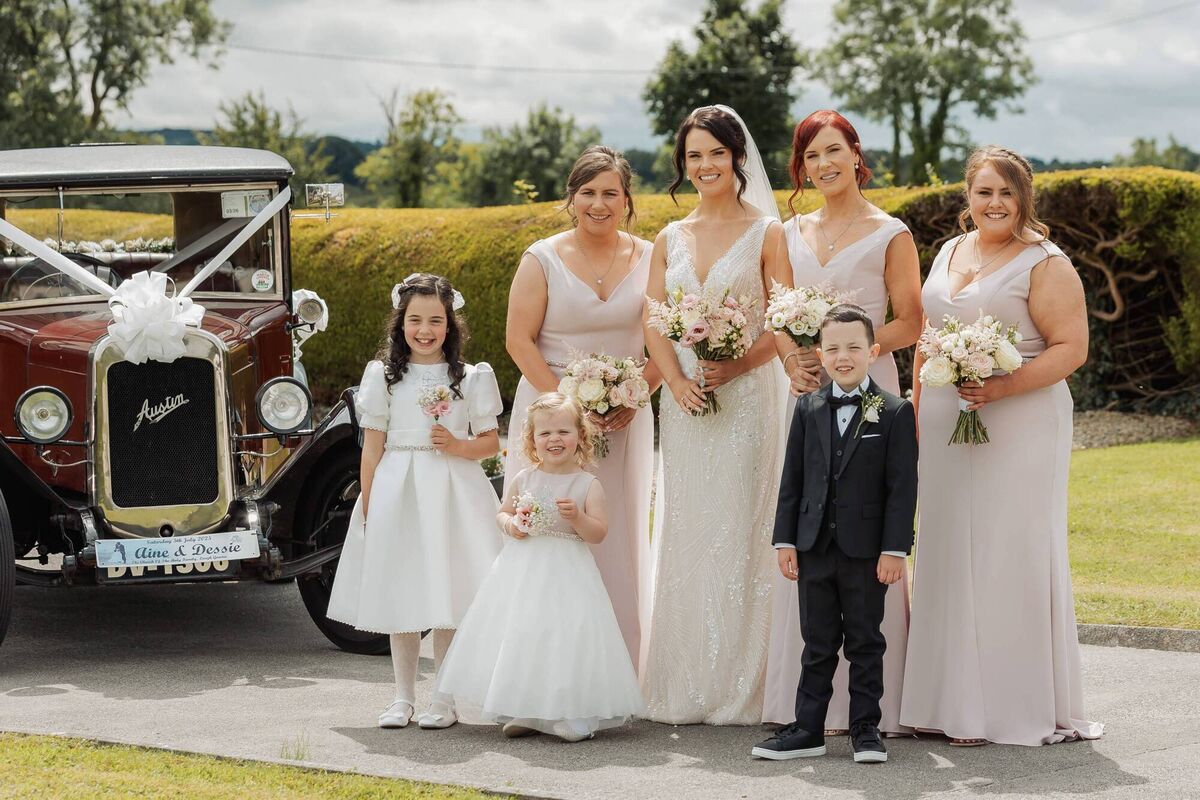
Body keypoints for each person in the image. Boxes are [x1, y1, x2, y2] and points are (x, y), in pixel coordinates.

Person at [900, 146, 1103, 746]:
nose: (995, 203)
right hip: (945, 419)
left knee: (1005, 549)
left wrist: (1001, 386)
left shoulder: (1046, 263)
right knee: (944, 547)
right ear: (968, 196)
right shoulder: (948, 250)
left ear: (1023, 198)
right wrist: (917, 411)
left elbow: (1071, 348)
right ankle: (944, 703)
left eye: (1006, 193)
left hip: (1020, 422)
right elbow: (926, 337)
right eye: (984, 192)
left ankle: (1004, 708)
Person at [764, 110, 922, 734]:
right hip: (808, 394)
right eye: (811, 156)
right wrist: (796, 362)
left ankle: (873, 708)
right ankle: (805, 707)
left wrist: (849, 352)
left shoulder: (891, 233)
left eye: (834, 151)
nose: (823, 165)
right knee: (813, 516)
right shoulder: (787, 232)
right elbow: (778, 316)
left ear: (856, 153)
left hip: (872, 391)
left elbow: (911, 321)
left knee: (867, 519)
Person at [640, 105, 791, 725]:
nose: (705, 166)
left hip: (746, 399)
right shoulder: (668, 238)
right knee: (688, 525)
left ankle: (742, 682)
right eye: (694, 156)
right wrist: (675, 382)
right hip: (685, 405)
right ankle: (684, 682)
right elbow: (653, 320)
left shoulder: (767, 233)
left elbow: (784, 319)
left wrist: (739, 365)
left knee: (741, 525)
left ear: (737, 158)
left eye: (716, 154)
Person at [326, 273, 504, 731]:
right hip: (399, 488)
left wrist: (457, 445)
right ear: (401, 323)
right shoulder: (384, 377)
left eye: (436, 321)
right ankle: (402, 696)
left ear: (450, 325)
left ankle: (443, 697)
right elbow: (371, 448)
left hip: (452, 490)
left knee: (449, 589)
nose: (425, 330)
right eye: (415, 320)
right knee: (402, 588)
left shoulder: (469, 377)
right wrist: (369, 504)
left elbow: (489, 442)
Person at [505, 146, 657, 666]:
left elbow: (666, 342)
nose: (599, 203)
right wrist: (566, 410)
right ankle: (540, 667)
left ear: (627, 199)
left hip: (624, 417)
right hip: (550, 415)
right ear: (571, 199)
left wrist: (637, 396)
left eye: (610, 193)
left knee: (617, 533)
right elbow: (518, 341)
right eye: (588, 192)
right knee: (549, 528)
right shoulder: (541, 259)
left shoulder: (651, 257)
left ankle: (617, 666)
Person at [752, 304, 917, 764]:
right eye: (834, 349)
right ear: (820, 354)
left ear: (873, 352)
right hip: (814, 547)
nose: (843, 357)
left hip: (867, 552)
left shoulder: (895, 411)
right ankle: (808, 729)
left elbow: (903, 488)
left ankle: (866, 729)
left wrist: (894, 549)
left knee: (865, 640)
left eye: (853, 348)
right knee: (817, 642)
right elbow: (793, 477)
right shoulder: (807, 407)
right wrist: (786, 540)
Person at [435, 393, 644, 742]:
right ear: (532, 440)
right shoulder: (524, 479)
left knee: (566, 636)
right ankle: (529, 709)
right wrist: (512, 526)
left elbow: (599, 533)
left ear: (580, 436)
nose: (554, 439)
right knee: (525, 633)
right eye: (545, 433)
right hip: (524, 570)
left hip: (569, 573)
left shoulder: (587, 484)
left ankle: (574, 714)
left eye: (563, 431)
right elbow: (503, 512)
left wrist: (577, 517)